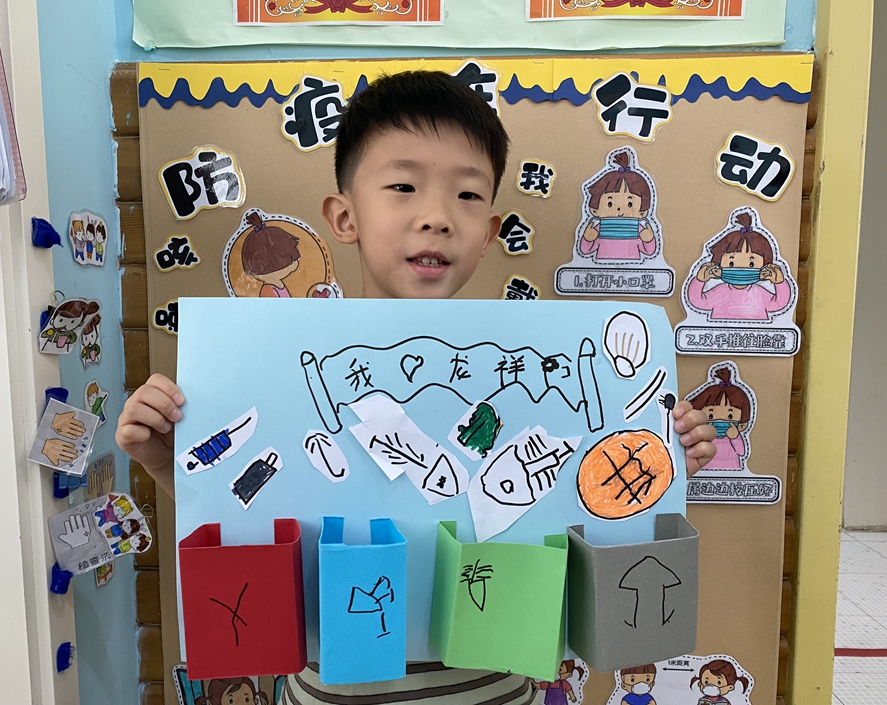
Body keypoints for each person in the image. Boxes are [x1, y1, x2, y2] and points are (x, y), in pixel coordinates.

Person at [117, 70, 717, 705]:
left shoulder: (535, 369)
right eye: (403, 187)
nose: (436, 218)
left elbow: (591, 500)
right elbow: (246, 511)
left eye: (467, 195)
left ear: (490, 233)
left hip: (494, 686)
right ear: (345, 216)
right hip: (329, 689)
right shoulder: (279, 369)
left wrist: (669, 454)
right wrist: (165, 460)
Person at [688, 210, 793, 321]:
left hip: (755, 332)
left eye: (751, 264)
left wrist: (779, 283)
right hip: (721, 332)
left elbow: (779, 303)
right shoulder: (719, 292)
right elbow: (698, 302)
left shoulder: (759, 293)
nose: (741, 269)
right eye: (731, 263)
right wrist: (699, 281)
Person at [580, 151, 657, 262]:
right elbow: (585, 250)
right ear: (595, 210)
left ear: (643, 212)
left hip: (633, 268)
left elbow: (649, 251)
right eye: (610, 204)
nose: (619, 209)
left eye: (630, 204)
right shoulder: (599, 229)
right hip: (602, 269)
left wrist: (648, 240)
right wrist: (588, 239)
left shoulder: (638, 229)